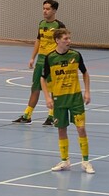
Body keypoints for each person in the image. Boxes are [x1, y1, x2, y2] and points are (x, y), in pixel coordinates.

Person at [40, 28, 94, 173]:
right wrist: (47, 97)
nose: (69, 41)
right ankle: (65, 161)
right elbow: (42, 79)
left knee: (81, 128)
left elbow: (85, 73)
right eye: (65, 39)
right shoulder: (50, 58)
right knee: (61, 129)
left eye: (69, 38)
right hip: (59, 99)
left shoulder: (76, 55)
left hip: (75, 98)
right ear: (57, 40)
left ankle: (86, 161)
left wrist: (87, 91)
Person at [13, 0, 65, 125]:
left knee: (54, 90)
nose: (44, 11)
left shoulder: (59, 26)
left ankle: (52, 116)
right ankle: (27, 115)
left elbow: (65, 43)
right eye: (43, 8)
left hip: (53, 61)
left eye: (48, 9)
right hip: (41, 61)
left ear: (54, 10)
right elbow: (38, 40)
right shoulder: (41, 24)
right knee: (35, 87)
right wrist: (32, 57)